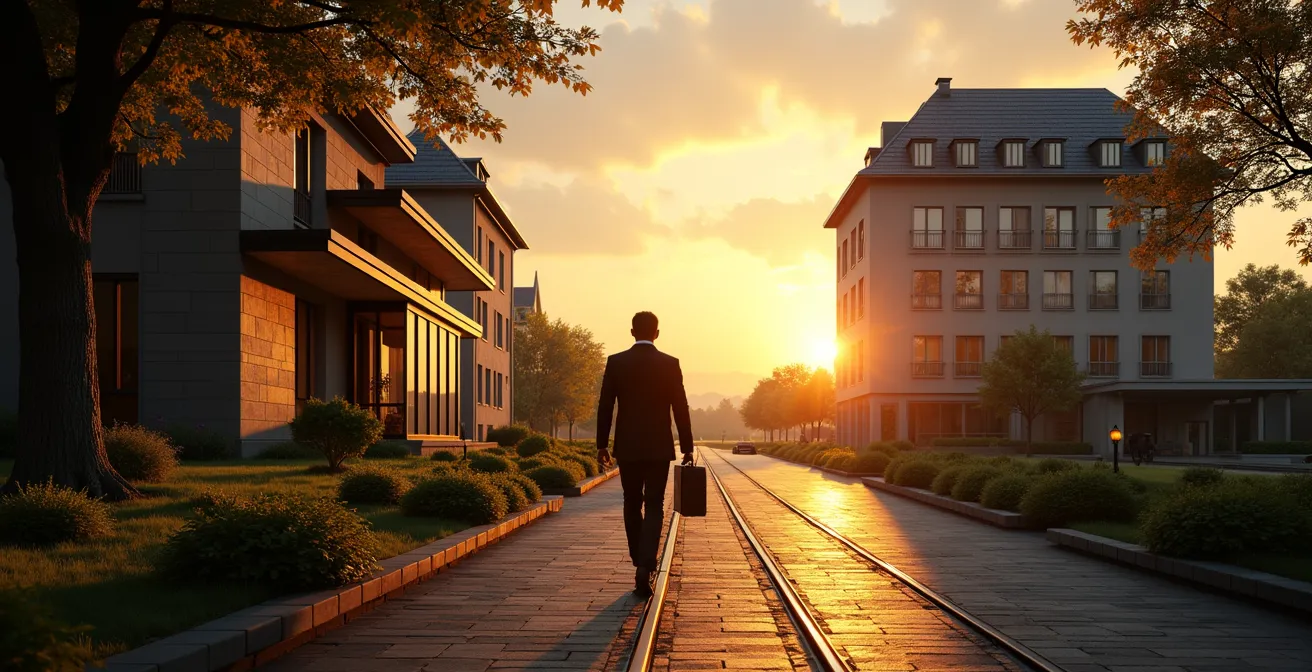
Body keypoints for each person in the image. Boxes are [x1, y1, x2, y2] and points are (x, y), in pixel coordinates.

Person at [595, 311, 694, 598]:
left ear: (631, 332)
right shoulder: (670, 364)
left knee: (630, 501)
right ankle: (646, 564)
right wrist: (686, 446)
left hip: (627, 446)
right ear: (657, 333)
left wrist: (602, 444)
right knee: (654, 504)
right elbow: (681, 408)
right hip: (659, 447)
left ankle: (639, 560)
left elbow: (605, 406)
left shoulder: (616, 363)